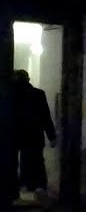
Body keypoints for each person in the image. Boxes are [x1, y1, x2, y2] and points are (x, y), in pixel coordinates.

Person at [13, 69, 56, 203]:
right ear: (28, 79)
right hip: (36, 135)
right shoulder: (38, 94)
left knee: (23, 160)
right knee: (37, 160)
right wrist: (52, 136)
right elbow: (45, 117)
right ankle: (39, 187)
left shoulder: (13, 95)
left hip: (20, 135)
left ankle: (26, 187)